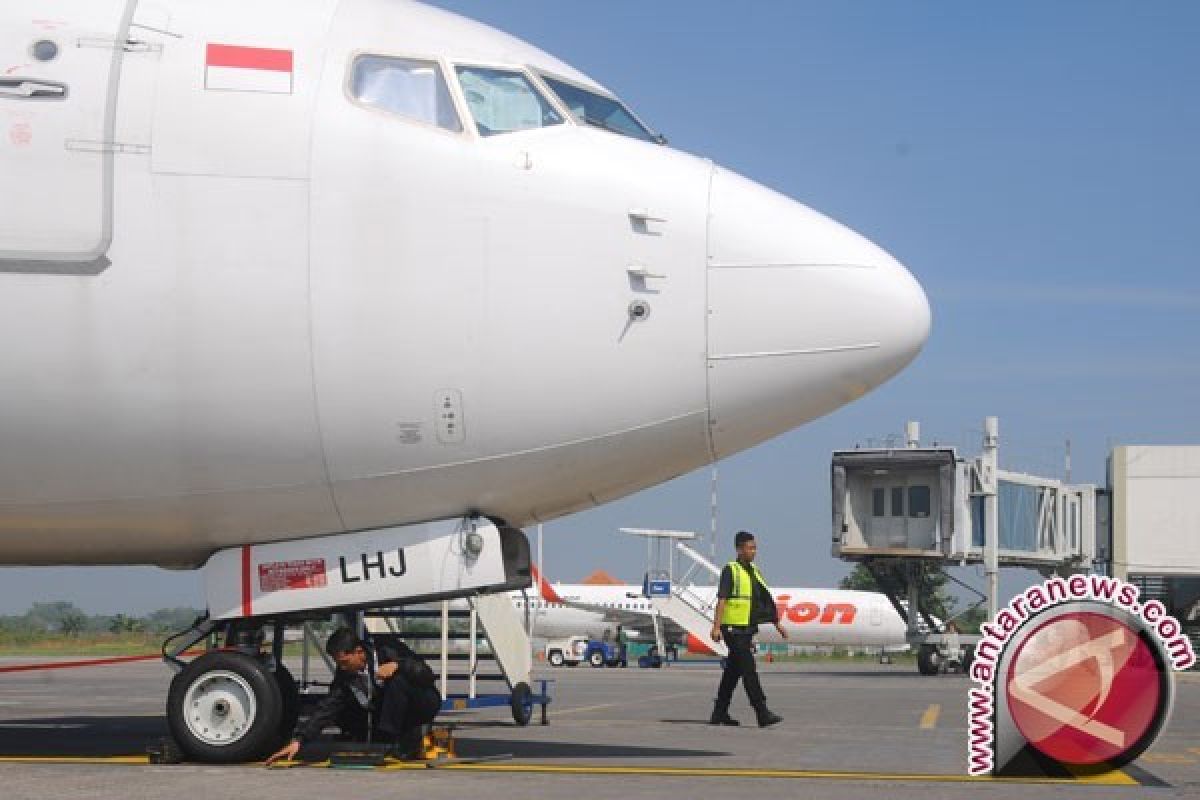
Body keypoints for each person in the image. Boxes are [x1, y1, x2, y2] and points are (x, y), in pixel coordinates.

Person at [265, 627, 441, 764]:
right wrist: (299, 740)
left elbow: (427, 674)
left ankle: (394, 740)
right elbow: (327, 707)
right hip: (390, 711)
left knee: (398, 681)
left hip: (423, 703)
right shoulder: (345, 675)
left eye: (344, 662)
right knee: (342, 701)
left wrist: (399, 665)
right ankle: (369, 736)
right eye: (339, 664)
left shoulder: (387, 648)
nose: (342, 667)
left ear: (359, 652)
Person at [709, 531, 786, 727]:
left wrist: (777, 624)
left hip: (747, 629)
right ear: (739, 549)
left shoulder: (754, 571)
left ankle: (719, 713)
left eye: (755, 548)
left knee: (733, 672)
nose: (754, 551)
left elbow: (764, 600)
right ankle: (762, 712)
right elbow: (722, 600)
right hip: (733, 629)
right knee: (749, 670)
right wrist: (716, 627)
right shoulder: (730, 570)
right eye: (750, 548)